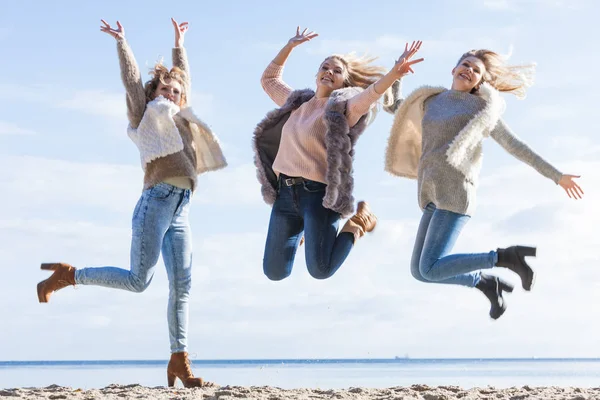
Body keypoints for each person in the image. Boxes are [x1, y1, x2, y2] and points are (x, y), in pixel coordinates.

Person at [36, 18, 226, 387]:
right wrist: (123, 42)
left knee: (182, 286)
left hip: (181, 208)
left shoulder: (182, 116)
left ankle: (179, 361)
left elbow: (183, 78)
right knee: (140, 281)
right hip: (155, 203)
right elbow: (130, 80)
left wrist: (179, 45)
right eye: (164, 89)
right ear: (152, 91)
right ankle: (68, 275)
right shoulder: (146, 113)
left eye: (175, 92)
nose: (171, 94)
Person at [383, 49, 583, 319]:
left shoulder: (480, 109)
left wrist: (556, 175)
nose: (469, 71)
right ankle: (486, 282)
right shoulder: (431, 100)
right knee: (420, 272)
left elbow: (515, 145)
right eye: (465, 65)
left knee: (430, 268)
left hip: (455, 195)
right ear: (453, 69)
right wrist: (397, 75)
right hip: (431, 196)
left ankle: (505, 257)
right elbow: (396, 108)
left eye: (476, 71)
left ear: (479, 82)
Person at [253, 27, 423, 281]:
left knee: (320, 270)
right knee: (275, 272)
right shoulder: (297, 102)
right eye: (325, 67)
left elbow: (371, 95)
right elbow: (269, 80)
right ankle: (304, 232)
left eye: (337, 71)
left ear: (345, 81)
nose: (329, 72)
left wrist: (394, 73)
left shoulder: (344, 107)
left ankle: (360, 222)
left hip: (318, 197)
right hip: (285, 195)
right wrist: (289, 46)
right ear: (317, 74)